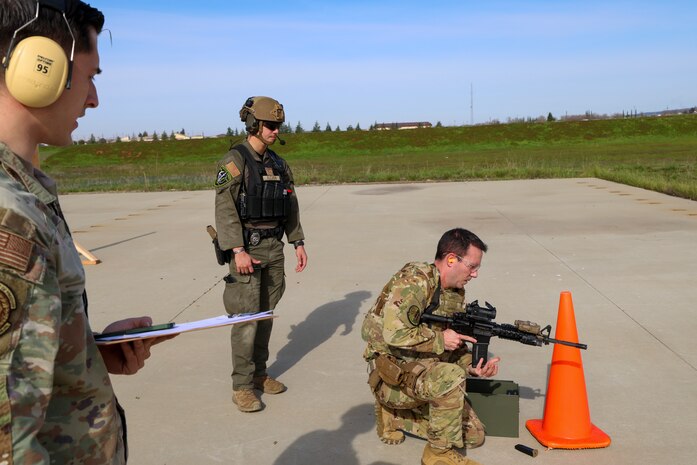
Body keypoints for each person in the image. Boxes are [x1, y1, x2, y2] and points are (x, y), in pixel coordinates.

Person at [0, 1, 170, 462]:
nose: (94, 99)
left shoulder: (25, 191)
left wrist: (83, 353)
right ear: (40, 70)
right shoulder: (8, 216)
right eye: (91, 76)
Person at [362, 228, 500, 465]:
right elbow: (394, 333)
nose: (475, 274)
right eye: (472, 266)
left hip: (419, 370)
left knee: (474, 435)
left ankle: (394, 417)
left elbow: (452, 345)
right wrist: (440, 340)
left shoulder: (453, 293)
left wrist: (472, 366)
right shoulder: (414, 283)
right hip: (391, 377)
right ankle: (437, 455)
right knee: (451, 377)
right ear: (451, 259)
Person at [214, 96, 307, 412]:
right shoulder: (234, 161)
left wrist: (298, 241)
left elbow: (289, 202)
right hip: (247, 250)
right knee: (246, 320)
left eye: (278, 125)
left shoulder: (278, 163)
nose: (274, 130)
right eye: (270, 125)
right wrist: (237, 249)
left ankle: (259, 374)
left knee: (265, 315)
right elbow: (225, 207)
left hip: (273, 248)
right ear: (254, 124)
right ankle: (241, 385)